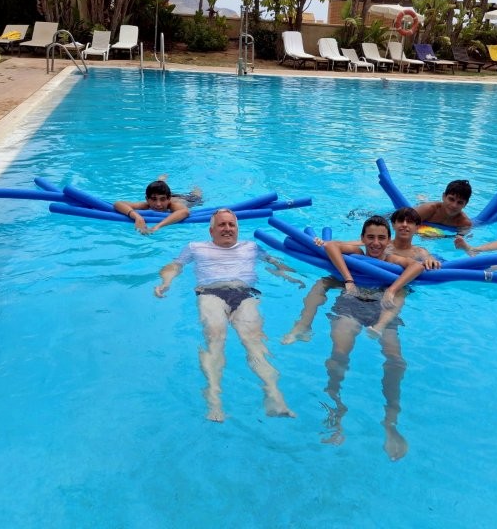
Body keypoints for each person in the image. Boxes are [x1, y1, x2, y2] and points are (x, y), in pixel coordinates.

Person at [282, 216, 425, 461]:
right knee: (339, 354)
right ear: (362, 239)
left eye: (381, 238)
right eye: (371, 237)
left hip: (382, 306)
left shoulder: (392, 260)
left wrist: (392, 289)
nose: (376, 243)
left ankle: (390, 421)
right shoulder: (356, 253)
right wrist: (348, 280)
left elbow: (417, 266)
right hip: (352, 303)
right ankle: (336, 407)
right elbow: (330, 246)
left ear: (389, 240)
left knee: (396, 361)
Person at [154, 208, 301, 422]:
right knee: (216, 336)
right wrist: (165, 282)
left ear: (237, 229)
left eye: (232, 225)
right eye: (222, 224)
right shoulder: (195, 247)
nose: (227, 228)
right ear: (211, 230)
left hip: (245, 294)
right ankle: (213, 397)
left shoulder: (251, 247)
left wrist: (291, 277)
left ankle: (273, 395)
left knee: (254, 341)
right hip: (210, 293)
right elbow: (175, 266)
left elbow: (274, 263)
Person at [114, 179, 191, 235]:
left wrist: (157, 226)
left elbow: (185, 212)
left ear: (168, 199)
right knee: (159, 190)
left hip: (187, 200)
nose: (158, 204)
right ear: (147, 199)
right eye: (154, 199)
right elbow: (118, 204)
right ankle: (161, 180)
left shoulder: (172, 205)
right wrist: (138, 217)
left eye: (162, 199)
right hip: (167, 195)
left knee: (195, 195)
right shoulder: (146, 205)